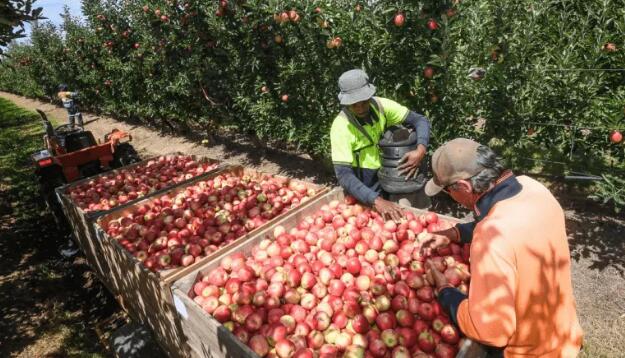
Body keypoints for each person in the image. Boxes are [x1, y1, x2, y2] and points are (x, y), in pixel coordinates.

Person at [421, 138, 583, 357]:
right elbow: (511, 222)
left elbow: (490, 331)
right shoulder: (533, 188)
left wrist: (445, 291)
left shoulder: (491, 237)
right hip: (563, 335)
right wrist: (454, 233)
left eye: (448, 191)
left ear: (464, 186)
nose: (451, 197)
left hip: (529, 351)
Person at [330, 69, 431, 220]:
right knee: (375, 222)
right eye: (354, 105)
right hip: (364, 182)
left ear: (370, 95)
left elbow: (420, 120)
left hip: (389, 172)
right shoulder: (341, 127)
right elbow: (344, 175)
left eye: (364, 102)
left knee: (403, 219)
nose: (360, 108)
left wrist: (421, 149)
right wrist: (375, 200)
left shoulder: (380, 106)